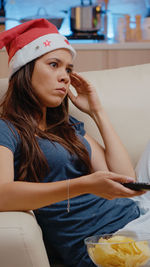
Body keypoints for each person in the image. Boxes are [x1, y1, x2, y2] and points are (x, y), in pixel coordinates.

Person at [0, 18, 148, 267]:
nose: (65, 77)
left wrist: (97, 112)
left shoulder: (67, 127)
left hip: (137, 216)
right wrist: (83, 185)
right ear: (25, 69)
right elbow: (2, 194)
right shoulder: (7, 129)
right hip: (107, 245)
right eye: (54, 65)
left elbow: (127, 181)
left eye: (68, 69)